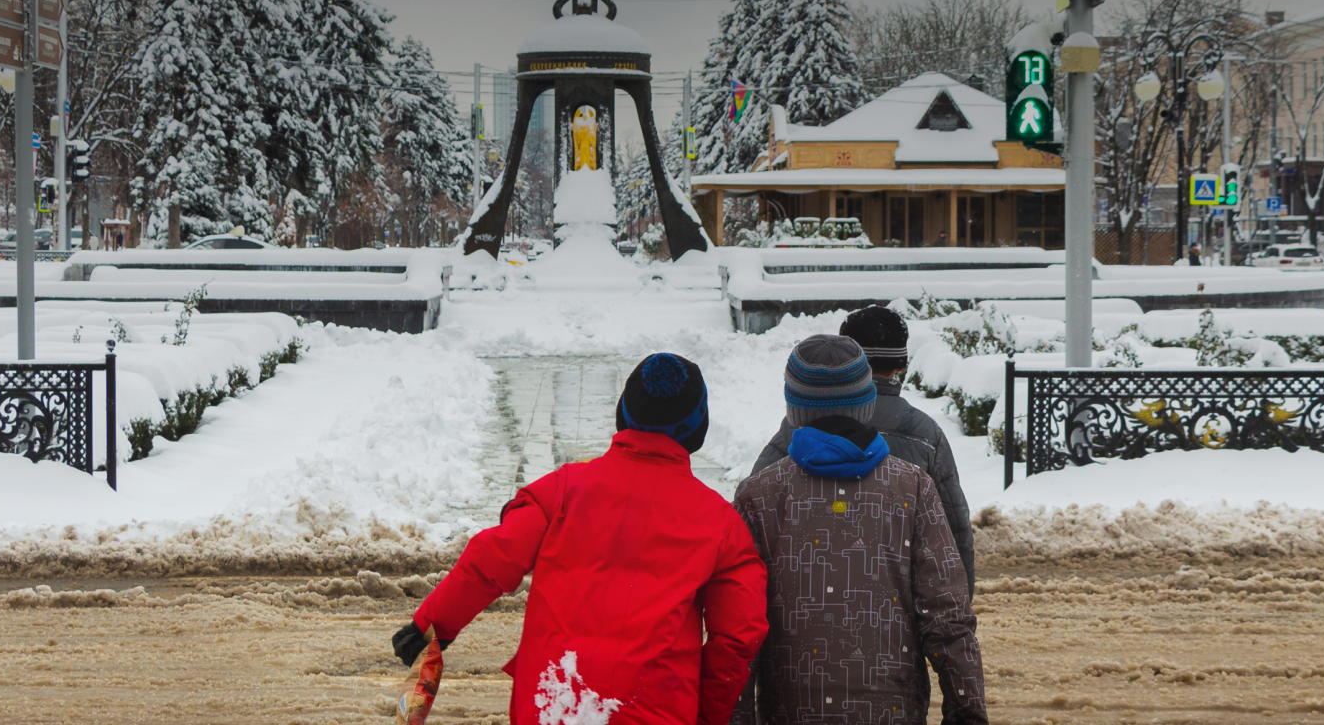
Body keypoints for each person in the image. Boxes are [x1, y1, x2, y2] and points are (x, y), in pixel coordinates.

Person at [394, 352, 766, 725]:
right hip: (655, 710)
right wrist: (705, 713)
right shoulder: (721, 524)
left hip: (554, 698)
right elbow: (738, 635)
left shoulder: (563, 491)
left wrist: (431, 626)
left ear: (623, 413)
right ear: (698, 428)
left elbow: (493, 558)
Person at [734, 335, 987, 724]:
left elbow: (738, 628)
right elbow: (948, 617)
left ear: (794, 410)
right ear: (866, 404)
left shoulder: (760, 495)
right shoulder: (912, 488)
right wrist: (967, 712)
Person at [747, 305, 973, 581]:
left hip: (803, 594)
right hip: (898, 604)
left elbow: (751, 516)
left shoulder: (798, 428)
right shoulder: (925, 433)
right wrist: (959, 598)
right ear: (901, 364)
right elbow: (953, 528)